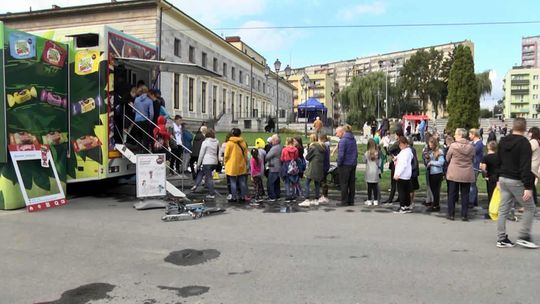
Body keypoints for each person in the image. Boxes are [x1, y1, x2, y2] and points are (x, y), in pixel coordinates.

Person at [496, 118, 538, 248]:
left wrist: (498, 177)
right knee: (530, 207)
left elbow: (498, 160)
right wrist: (528, 186)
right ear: (525, 129)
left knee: (503, 210)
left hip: (503, 178)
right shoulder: (524, 143)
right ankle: (524, 236)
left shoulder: (503, 141)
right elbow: (525, 166)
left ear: (513, 127)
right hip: (516, 179)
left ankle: (501, 238)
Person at [445, 128, 475, 221]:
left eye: (455, 134)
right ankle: (464, 215)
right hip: (467, 172)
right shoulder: (471, 146)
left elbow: (447, 158)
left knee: (452, 194)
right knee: (465, 195)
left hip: (454, 172)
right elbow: (473, 158)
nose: (454, 136)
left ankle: (451, 214)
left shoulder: (453, 146)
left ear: (460, 135)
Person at [191, 129, 219, 198]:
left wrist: (198, 164)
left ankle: (211, 194)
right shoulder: (217, 142)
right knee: (201, 172)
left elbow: (201, 154)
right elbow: (218, 151)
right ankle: (195, 185)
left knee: (209, 177)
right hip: (214, 162)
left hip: (207, 162)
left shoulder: (205, 142)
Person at [224, 128, 249, 203]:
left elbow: (226, 155)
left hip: (232, 165)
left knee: (233, 181)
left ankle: (234, 197)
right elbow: (245, 154)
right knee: (242, 181)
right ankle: (243, 196)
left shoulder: (229, 143)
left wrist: (225, 162)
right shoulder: (243, 143)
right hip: (241, 164)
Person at [300, 134, 326, 207]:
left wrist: (307, 151)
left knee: (307, 183)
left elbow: (307, 157)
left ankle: (307, 198)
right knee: (317, 183)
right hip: (319, 167)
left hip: (313, 167)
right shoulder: (322, 147)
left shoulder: (313, 147)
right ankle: (316, 198)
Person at [336, 125, 358, 206]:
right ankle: (351, 200)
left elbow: (341, 155)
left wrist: (339, 163)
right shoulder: (353, 139)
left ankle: (344, 201)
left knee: (344, 183)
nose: (336, 135)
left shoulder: (343, 141)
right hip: (353, 163)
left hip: (345, 164)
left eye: (337, 133)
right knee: (351, 183)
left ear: (342, 132)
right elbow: (356, 152)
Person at [393, 136, 414, 213]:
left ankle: (402, 207)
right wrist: (396, 158)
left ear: (405, 144)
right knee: (406, 192)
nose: (400, 146)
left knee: (401, 192)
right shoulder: (407, 151)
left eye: (401, 145)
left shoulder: (405, 153)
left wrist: (398, 174)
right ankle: (407, 206)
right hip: (407, 175)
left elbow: (403, 164)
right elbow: (399, 156)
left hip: (402, 175)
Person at [426, 137, 445, 212]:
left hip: (437, 173)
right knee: (433, 190)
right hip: (431, 172)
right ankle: (435, 204)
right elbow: (431, 159)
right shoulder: (432, 152)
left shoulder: (439, 151)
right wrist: (428, 158)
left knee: (436, 190)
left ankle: (436, 205)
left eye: (431, 145)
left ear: (434, 144)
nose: (430, 146)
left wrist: (431, 163)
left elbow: (441, 162)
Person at [133, 85, 154, 152]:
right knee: (145, 138)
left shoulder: (136, 100)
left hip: (137, 120)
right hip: (145, 120)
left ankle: (139, 150)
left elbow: (134, 110)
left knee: (138, 137)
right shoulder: (149, 101)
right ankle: (145, 151)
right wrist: (150, 120)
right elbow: (151, 113)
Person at [480, 141, 499, 214]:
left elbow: (483, 169)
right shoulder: (499, 156)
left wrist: (484, 175)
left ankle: (491, 209)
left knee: (490, 193)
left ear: (488, 147)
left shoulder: (486, 157)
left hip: (490, 177)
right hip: (498, 176)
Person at [469, 128, 484, 208]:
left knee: (472, 184)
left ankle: (471, 201)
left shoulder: (479, 144)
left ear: (474, 135)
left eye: (470, 134)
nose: (469, 136)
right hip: (472, 165)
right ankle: (474, 200)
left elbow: (472, 152)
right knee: (473, 184)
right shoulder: (474, 143)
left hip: (475, 166)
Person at [364, 138, 381, 206]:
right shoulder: (378, 153)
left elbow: (364, 161)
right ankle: (376, 200)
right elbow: (379, 163)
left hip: (369, 171)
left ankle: (369, 200)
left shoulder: (366, 153)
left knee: (369, 187)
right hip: (376, 171)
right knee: (375, 187)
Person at [265, 134, 282, 201]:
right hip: (278, 167)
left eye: (272, 139)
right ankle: (277, 195)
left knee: (270, 183)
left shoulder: (274, 148)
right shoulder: (280, 147)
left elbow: (267, 157)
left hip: (274, 168)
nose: (271, 141)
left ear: (275, 141)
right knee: (276, 182)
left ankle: (272, 196)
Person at [528, 127, 540, 206]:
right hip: (534, 167)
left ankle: (529, 204)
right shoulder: (537, 142)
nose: (528, 133)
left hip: (530, 167)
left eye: (529, 132)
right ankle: (534, 202)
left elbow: (526, 151)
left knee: (528, 186)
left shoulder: (533, 142)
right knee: (531, 186)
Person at [318, 134, 331, 204]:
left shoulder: (324, 146)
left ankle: (324, 196)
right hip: (326, 165)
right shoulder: (327, 145)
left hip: (323, 165)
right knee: (324, 180)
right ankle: (324, 195)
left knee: (323, 181)